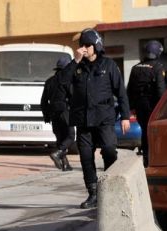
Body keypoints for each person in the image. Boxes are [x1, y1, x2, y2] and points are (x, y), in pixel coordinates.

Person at [57, 28, 130, 209]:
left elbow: (121, 92)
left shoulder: (109, 66)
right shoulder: (76, 67)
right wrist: (75, 61)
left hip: (104, 117)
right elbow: (62, 82)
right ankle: (93, 193)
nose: (84, 48)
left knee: (110, 150)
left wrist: (125, 116)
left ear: (96, 46)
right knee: (86, 157)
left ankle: (111, 189)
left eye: (87, 45)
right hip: (83, 120)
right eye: (82, 45)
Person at [127, 40, 166, 168]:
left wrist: (131, 107)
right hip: (153, 106)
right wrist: (163, 108)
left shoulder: (135, 68)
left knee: (145, 130)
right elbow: (161, 91)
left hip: (139, 106)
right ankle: (156, 158)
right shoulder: (158, 67)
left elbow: (129, 90)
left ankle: (146, 158)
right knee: (156, 132)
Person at [40, 55, 75, 171]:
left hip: (53, 113)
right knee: (70, 136)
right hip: (65, 111)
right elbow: (72, 96)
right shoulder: (67, 80)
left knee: (60, 138)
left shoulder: (49, 81)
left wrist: (46, 115)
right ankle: (57, 153)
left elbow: (43, 100)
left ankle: (65, 164)